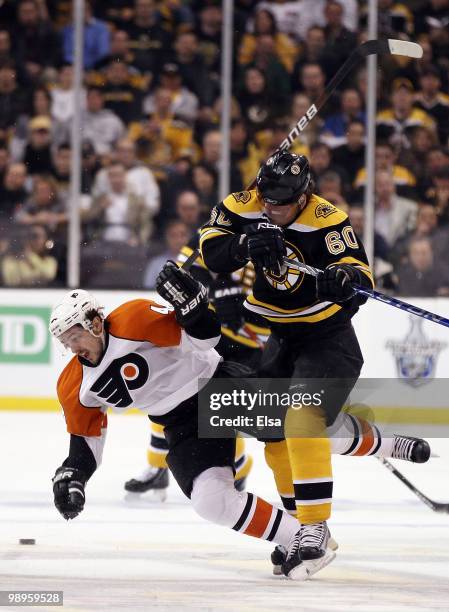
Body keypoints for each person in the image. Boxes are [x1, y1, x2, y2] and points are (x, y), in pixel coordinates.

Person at [199, 150, 430, 577]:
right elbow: (211, 252)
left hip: (329, 340)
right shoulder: (247, 203)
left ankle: (315, 527)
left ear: (304, 194)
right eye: (267, 199)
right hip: (280, 340)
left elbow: (361, 278)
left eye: (282, 202)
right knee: (273, 437)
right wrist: (244, 244)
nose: (273, 208)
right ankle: (311, 517)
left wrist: (344, 282)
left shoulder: (328, 219)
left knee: (302, 419)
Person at [49, 282, 306, 580]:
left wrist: (195, 311)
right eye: (66, 342)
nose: (72, 348)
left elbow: (207, 339)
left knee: (314, 426)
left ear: (95, 324)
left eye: (75, 336)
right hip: (182, 424)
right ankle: (296, 537)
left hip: (215, 386)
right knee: (211, 501)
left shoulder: (134, 317)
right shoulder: (75, 384)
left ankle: (375, 443)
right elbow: (86, 443)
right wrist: (73, 476)